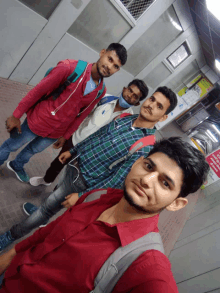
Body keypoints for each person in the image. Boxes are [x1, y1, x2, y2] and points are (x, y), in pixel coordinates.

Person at [0, 137, 210, 292]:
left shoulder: (146, 266)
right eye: (148, 166)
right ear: (137, 162)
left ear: (176, 204)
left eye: (165, 183)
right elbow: (48, 233)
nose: (147, 180)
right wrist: (10, 255)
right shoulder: (98, 196)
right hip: (10, 275)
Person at [0, 86, 178, 250]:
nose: (151, 105)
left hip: (83, 183)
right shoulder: (124, 118)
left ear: (163, 117)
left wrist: (83, 196)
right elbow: (96, 136)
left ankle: (10, 235)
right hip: (74, 165)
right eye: (152, 99)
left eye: (159, 106)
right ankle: (42, 213)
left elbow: (115, 182)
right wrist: (73, 151)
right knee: (53, 200)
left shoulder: (146, 146)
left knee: (51, 204)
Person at [0, 43, 127, 182]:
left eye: (115, 66)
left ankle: (17, 165)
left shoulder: (100, 91)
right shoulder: (70, 68)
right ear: (102, 52)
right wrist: (16, 115)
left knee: (33, 150)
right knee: (12, 145)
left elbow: (81, 116)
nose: (110, 67)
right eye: (110, 59)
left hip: (55, 133)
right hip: (39, 120)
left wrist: (65, 136)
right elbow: (38, 91)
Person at [30, 79, 148, 187]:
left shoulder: (128, 120)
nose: (129, 96)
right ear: (124, 89)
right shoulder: (105, 99)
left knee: (69, 178)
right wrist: (66, 136)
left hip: (89, 154)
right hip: (75, 140)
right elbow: (82, 116)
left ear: (137, 103)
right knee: (57, 164)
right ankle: (46, 180)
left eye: (135, 96)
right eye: (130, 90)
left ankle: (55, 194)